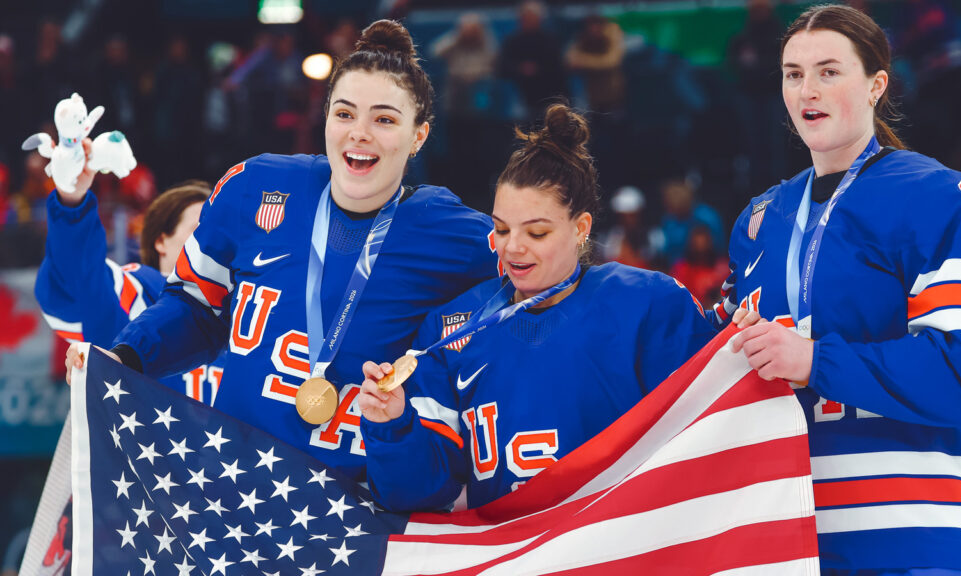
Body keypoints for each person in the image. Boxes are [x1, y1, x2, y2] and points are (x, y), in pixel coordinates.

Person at [66, 20, 500, 481]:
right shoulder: (254, 186)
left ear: (419, 136)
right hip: (234, 490)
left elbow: (541, 275)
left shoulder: (450, 230)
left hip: (353, 512)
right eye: (345, 113)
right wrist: (127, 356)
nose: (360, 133)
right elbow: (195, 306)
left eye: (385, 120)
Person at [717, 5, 961, 574]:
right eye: (792, 73)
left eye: (829, 71)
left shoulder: (938, 195)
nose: (807, 90)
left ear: (877, 85)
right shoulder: (759, 221)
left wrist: (814, 359)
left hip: (923, 537)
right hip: (794, 542)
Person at [358, 104, 715, 511]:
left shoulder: (647, 303)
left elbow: (707, 444)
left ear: (580, 228)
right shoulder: (449, 329)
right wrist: (394, 426)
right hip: (508, 559)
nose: (513, 247)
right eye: (502, 228)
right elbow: (421, 497)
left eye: (537, 232)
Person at [37, 161, 222, 403]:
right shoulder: (134, 289)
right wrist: (71, 203)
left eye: (219, 234)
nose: (213, 244)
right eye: (198, 230)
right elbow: (75, 283)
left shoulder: (249, 312)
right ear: (161, 241)